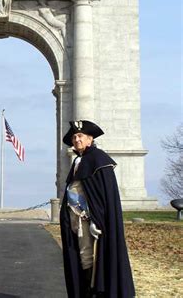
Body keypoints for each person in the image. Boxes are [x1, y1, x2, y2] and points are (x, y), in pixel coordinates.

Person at [59, 120, 135, 298]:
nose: (77, 139)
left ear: (90, 139)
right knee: (80, 257)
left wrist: (96, 219)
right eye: (74, 137)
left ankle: (93, 293)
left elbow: (102, 196)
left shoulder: (98, 159)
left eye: (80, 136)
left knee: (88, 257)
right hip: (75, 219)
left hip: (89, 221)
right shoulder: (79, 161)